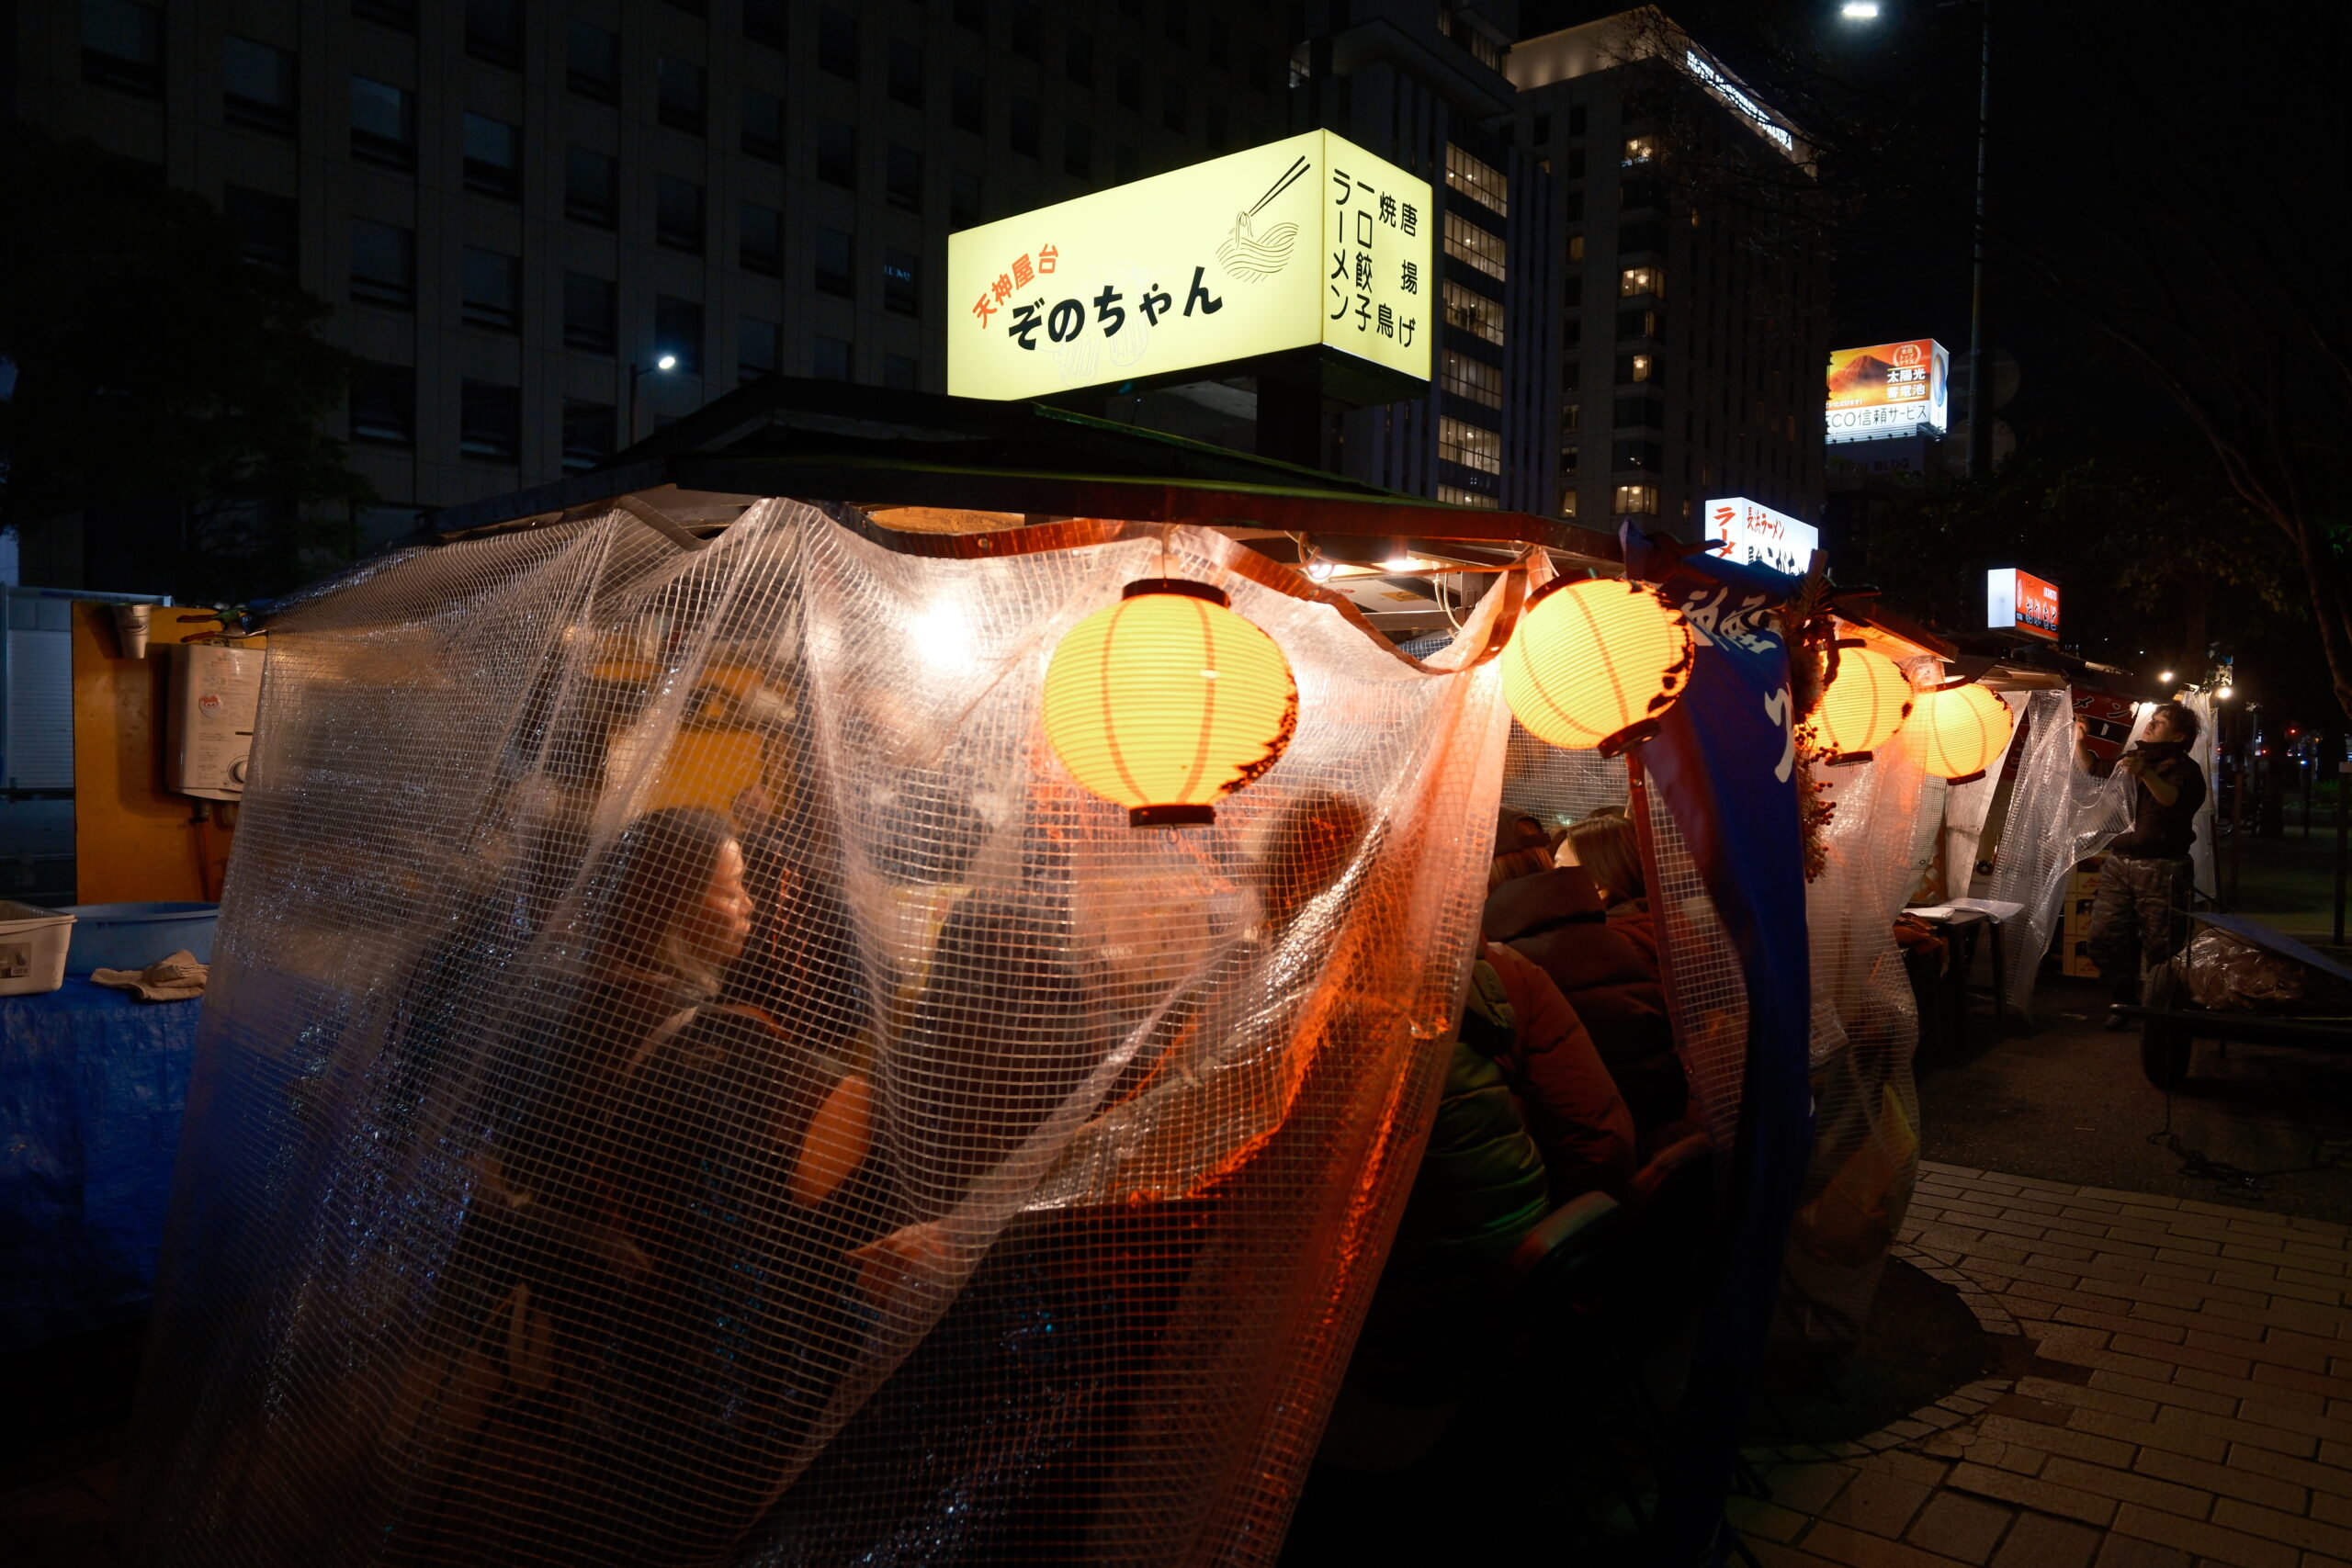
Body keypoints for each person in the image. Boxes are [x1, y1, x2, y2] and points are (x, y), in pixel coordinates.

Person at [388, 806, 879, 1568]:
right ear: (673, 906)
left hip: (574, 1310)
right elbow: (825, 1172)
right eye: (733, 888)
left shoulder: (548, 1001)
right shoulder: (712, 1041)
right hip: (688, 1345)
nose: (750, 906)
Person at [1484, 807, 1691, 1138]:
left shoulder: (1515, 962)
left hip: (1612, 1142)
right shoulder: (1616, 934)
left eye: (1562, 867)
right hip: (1658, 1123)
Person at [2089, 701, 2209, 1027]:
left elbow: (2172, 799)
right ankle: (2124, 1001)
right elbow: (2095, 770)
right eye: (2152, 719)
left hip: (2163, 867)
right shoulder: (2132, 760)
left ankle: (2161, 1016)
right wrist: (2080, 740)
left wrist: (2146, 773)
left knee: (2163, 945)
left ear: (2179, 736)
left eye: (2161, 722)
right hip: (2119, 863)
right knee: (2105, 936)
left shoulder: (2185, 770)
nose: (2152, 724)